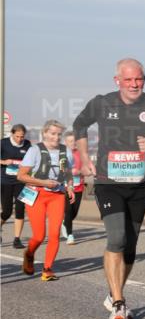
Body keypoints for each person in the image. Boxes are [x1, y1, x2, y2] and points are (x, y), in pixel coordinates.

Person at [73, 58, 145, 319]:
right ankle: (119, 304)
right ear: (117, 80)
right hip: (109, 183)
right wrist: (84, 158)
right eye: (129, 79)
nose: (134, 84)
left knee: (130, 246)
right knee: (117, 238)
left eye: (139, 79)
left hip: (140, 183)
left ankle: (113, 293)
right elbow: (80, 125)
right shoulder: (102, 102)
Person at [16, 120, 75, 281]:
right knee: (39, 235)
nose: (56, 137)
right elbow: (21, 175)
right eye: (52, 133)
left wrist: (70, 187)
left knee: (55, 234)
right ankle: (29, 254)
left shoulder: (66, 151)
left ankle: (47, 269)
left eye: (59, 134)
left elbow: (68, 173)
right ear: (45, 133)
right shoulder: (35, 151)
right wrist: (43, 183)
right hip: (36, 195)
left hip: (56, 196)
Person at [2, 123, 32, 248]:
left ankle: (16, 239)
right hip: (5, 181)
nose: (20, 139)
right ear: (12, 134)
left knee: (20, 209)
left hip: (21, 181)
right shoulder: (3, 143)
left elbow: (31, 161)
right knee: (7, 212)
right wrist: (4, 161)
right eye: (17, 136)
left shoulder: (27, 144)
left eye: (22, 136)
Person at [61, 132, 85, 245]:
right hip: (65, 187)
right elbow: (59, 171)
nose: (73, 143)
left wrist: (80, 172)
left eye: (74, 141)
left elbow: (86, 169)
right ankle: (70, 235)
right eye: (70, 141)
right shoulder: (61, 154)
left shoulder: (81, 154)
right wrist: (70, 171)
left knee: (74, 213)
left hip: (78, 187)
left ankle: (65, 223)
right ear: (65, 142)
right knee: (69, 211)